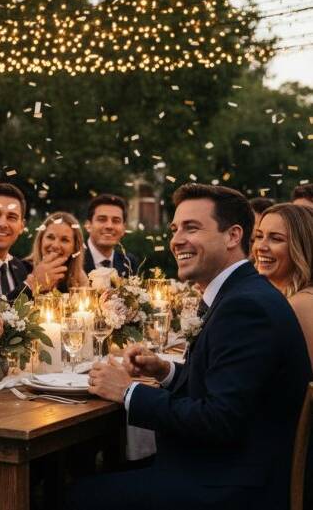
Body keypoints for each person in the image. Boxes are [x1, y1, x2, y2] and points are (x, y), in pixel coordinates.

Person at [74, 184, 312, 510]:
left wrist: (129, 392)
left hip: (232, 486)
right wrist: (166, 370)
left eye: (192, 227)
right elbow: (228, 382)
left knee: (76, 494)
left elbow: (219, 420)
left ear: (232, 236)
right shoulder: (240, 293)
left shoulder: (246, 307)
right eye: (174, 229)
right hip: (222, 466)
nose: (176, 240)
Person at [253, 203, 313, 367]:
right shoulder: (278, 296)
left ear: (301, 247)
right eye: (259, 236)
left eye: (276, 239)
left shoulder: (300, 305)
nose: (261, 247)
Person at [26, 212, 89, 293]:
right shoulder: (22, 269)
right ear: (41, 240)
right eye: (50, 237)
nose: (55, 245)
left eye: (64, 240)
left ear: (75, 248)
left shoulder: (79, 278)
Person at [82, 193, 139, 276]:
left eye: (116, 221)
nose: (109, 226)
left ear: (124, 228)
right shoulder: (73, 261)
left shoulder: (129, 263)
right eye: (102, 219)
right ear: (88, 225)